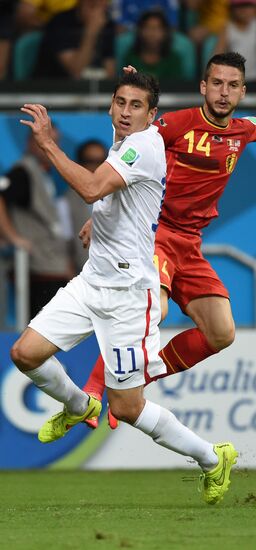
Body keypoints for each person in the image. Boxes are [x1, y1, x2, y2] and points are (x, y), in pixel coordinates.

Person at [10, 71, 238, 505]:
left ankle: (212, 458)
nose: (125, 111)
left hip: (131, 294)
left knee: (128, 407)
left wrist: (48, 144)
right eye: (120, 102)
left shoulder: (146, 145)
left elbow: (93, 188)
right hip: (93, 280)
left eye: (136, 106)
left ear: (154, 116)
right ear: (111, 106)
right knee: (24, 353)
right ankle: (80, 406)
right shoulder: (123, 139)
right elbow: (112, 195)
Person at [82, 52, 256, 430]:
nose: (223, 92)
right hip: (155, 233)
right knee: (155, 310)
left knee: (221, 332)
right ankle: (93, 388)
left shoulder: (240, 131)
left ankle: (134, 383)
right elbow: (126, 153)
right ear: (203, 87)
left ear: (242, 91)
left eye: (232, 85)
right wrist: (104, 214)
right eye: (216, 83)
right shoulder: (175, 124)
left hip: (190, 243)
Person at [0, 127, 72, 319]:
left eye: (55, 142)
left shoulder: (43, 174)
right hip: (36, 270)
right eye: (46, 141)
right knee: (41, 333)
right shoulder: (22, 172)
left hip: (51, 266)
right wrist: (13, 237)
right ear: (31, 143)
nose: (50, 147)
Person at [32, 0, 115, 79]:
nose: (97, 10)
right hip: (53, 87)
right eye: (92, 5)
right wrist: (91, 31)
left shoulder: (106, 24)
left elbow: (110, 73)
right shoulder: (60, 23)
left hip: (91, 88)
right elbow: (76, 71)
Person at [67, 140, 107, 272]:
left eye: (101, 161)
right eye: (90, 161)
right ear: (79, 164)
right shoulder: (67, 201)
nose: (96, 167)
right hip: (81, 275)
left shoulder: (121, 196)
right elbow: (63, 243)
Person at [214, 0, 256, 82]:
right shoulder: (227, 28)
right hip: (233, 79)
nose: (244, 10)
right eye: (240, 6)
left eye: (248, 6)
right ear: (232, 9)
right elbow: (218, 53)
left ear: (255, 8)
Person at [122, 10, 188, 80]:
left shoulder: (174, 59)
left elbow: (177, 88)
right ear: (140, 31)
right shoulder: (131, 57)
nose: (152, 33)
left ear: (165, 32)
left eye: (157, 28)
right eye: (147, 27)